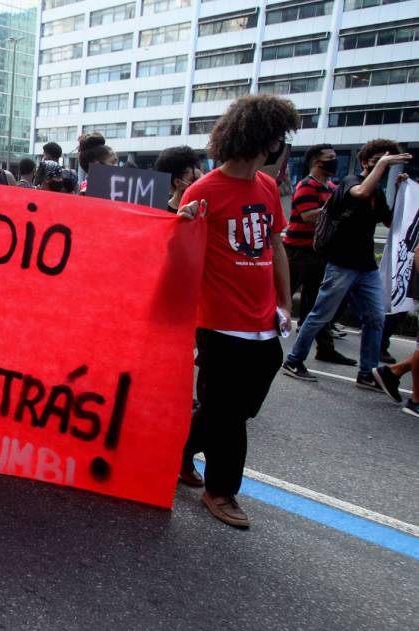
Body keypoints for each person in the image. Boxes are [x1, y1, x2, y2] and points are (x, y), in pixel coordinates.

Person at [176, 94, 299, 529]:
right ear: (264, 142)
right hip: (219, 324)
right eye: (280, 139)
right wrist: (182, 222)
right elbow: (177, 253)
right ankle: (221, 490)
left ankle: (178, 451)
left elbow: (275, 246)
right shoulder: (204, 191)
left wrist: (285, 303)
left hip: (264, 325)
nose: (282, 148)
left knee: (231, 410)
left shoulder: (266, 188)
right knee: (228, 416)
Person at [283, 139, 412, 395]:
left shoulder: (377, 191)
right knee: (320, 314)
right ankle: (294, 360)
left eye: (387, 162)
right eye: (378, 162)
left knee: (375, 318)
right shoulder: (350, 182)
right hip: (340, 263)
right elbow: (359, 193)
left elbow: (389, 221)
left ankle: (367, 372)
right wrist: (382, 165)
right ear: (366, 162)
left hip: (366, 267)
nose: (383, 167)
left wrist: (399, 189)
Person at [280, 144, 355, 366]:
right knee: (281, 299)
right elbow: (307, 216)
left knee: (317, 305)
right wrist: (337, 209)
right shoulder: (306, 186)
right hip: (297, 252)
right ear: (316, 162)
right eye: (329, 158)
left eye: (334, 157)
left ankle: (325, 348)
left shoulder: (331, 187)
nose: (334, 161)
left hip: (319, 253)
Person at [153, 145, 203, 213]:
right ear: (177, 182)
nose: (199, 183)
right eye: (193, 179)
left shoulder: (203, 206)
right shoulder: (161, 211)